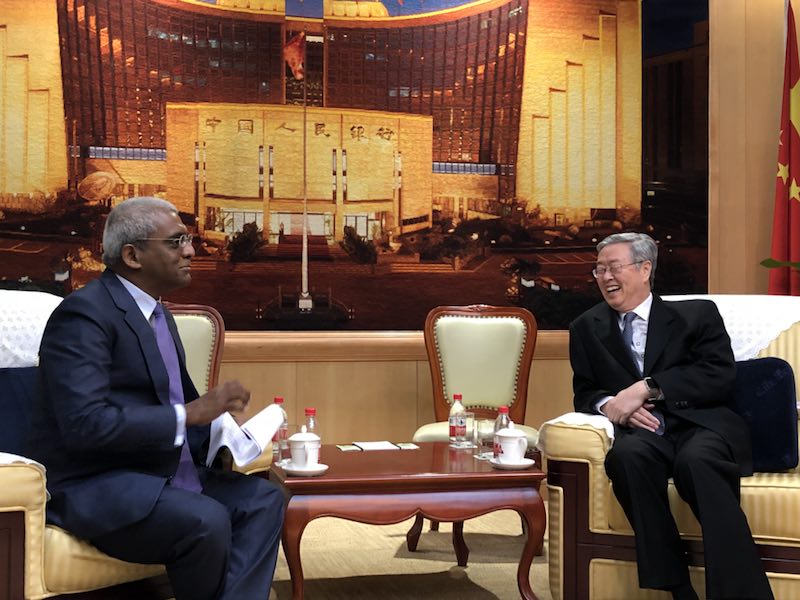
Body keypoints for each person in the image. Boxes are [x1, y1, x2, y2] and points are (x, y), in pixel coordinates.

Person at [27, 197, 285, 600]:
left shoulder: (158, 315)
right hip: (101, 484)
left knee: (265, 500)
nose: (191, 251)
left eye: (188, 240)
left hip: (165, 474)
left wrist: (225, 429)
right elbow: (85, 424)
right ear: (133, 256)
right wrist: (191, 414)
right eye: (176, 241)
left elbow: (179, 404)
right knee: (206, 520)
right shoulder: (84, 315)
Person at [569, 232, 772, 600]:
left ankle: (741, 594)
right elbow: (585, 391)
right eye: (599, 269)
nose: (605, 277)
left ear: (645, 269)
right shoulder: (586, 327)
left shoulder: (696, 315)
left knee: (697, 461)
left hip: (701, 424)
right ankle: (678, 588)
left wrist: (648, 388)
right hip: (645, 434)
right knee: (626, 457)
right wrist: (612, 405)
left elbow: (718, 375)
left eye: (614, 267)